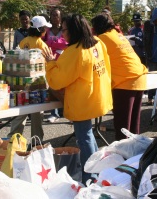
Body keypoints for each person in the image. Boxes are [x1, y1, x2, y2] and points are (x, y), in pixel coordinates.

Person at [44, 13, 112, 184]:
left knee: (84, 137)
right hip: (98, 95)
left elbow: (58, 80)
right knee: (88, 135)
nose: (62, 33)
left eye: (64, 30)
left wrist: (51, 63)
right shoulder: (98, 43)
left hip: (83, 101)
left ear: (73, 31)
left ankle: (91, 177)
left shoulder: (74, 52)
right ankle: (98, 171)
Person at [91, 13, 147, 140]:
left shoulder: (102, 39)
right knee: (133, 127)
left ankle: (123, 156)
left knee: (123, 128)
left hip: (125, 82)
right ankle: (134, 156)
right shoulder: (119, 35)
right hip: (139, 78)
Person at [7, 16, 52, 141]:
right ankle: (36, 142)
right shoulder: (41, 44)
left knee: (20, 112)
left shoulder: (24, 41)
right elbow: (47, 64)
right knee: (37, 114)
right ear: (40, 29)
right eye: (45, 28)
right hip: (38, 83)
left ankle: (13, 141)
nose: (46, 31)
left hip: (22, 82)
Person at [43, 8, 67, 123]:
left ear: (60, 17)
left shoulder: (64, 30)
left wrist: (52, 44)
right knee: (52, 84)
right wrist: (56, 45)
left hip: (62, 61)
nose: (54, 17)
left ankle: (65, 110)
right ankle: (54, 113)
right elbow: (44, 44)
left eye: (56, 15)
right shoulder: (47, 31)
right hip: (49, 61)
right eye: (52, 15)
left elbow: (65, 44)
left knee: (62, 86)